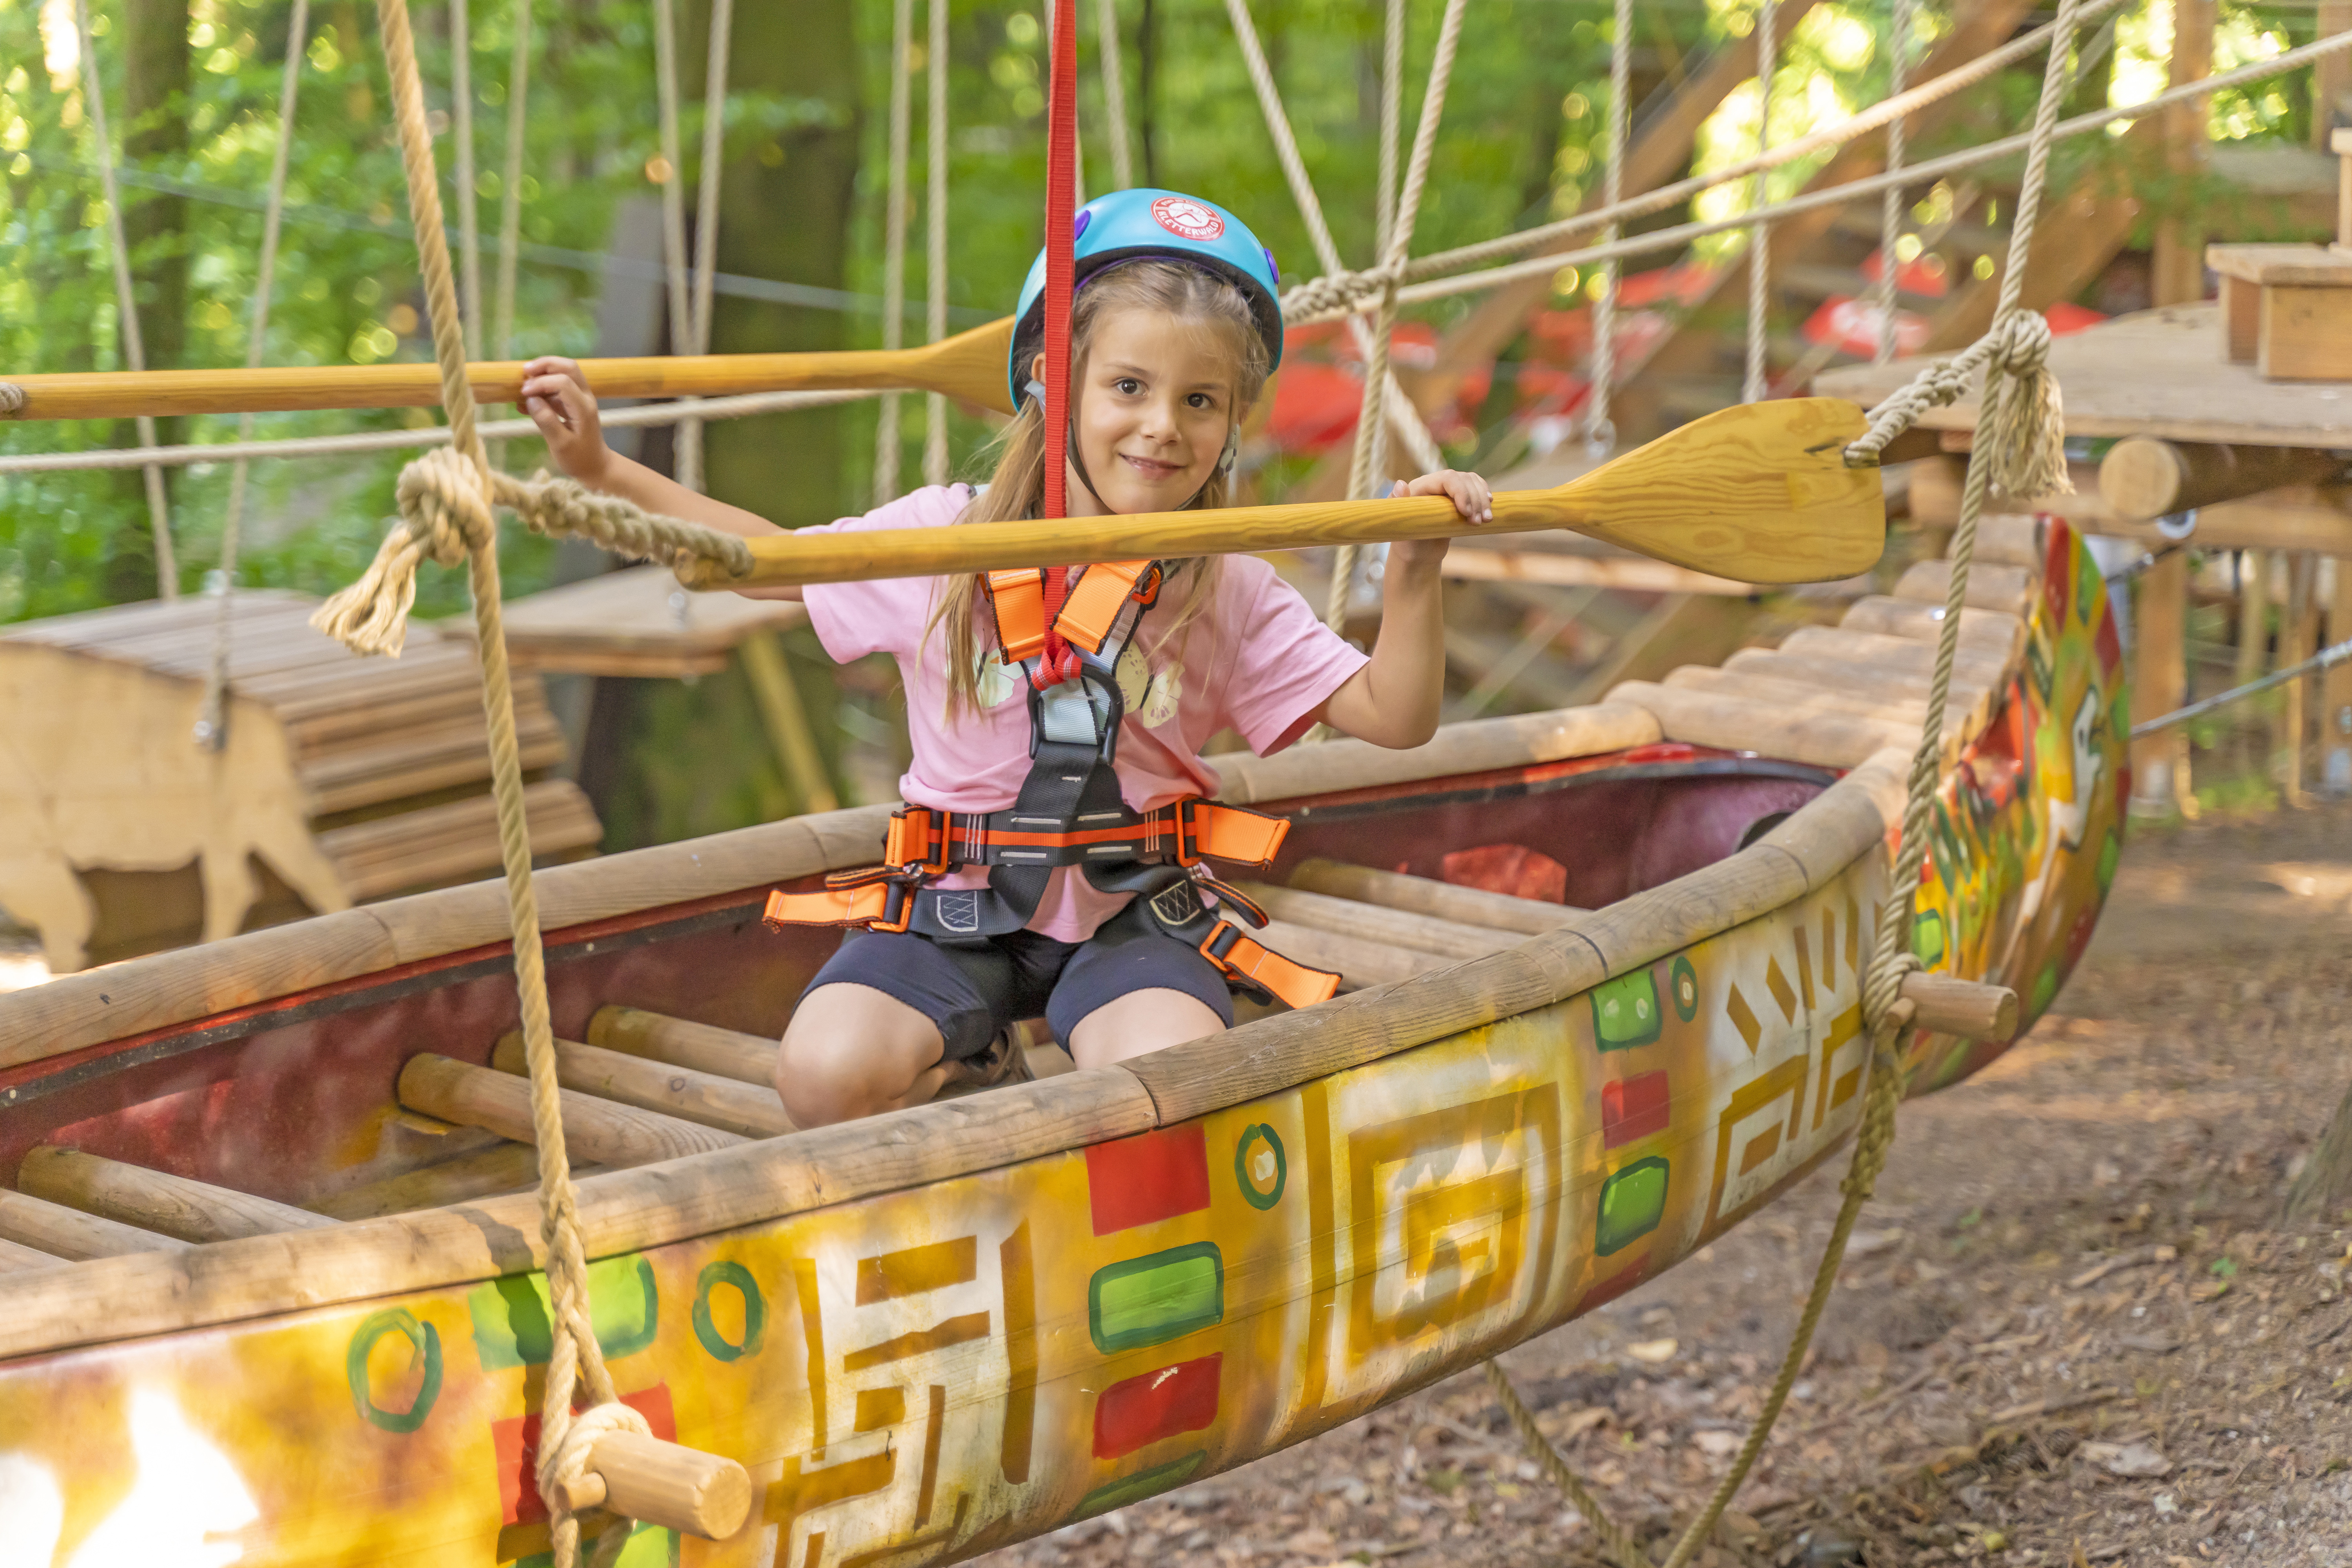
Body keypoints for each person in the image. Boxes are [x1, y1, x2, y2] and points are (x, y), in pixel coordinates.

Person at [518, 189, 1491, 1129]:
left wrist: (1415, 568)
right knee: (821, 1076)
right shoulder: (947, 539)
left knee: (1176, 1079)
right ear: (1047, 383)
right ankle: (971, 1054)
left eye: (1200, 400)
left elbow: (1393, 717)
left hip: (1130, 913)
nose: (1163, 426)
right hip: (956, 906)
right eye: (1127, 387)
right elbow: (763, 563)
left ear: (1231, 421)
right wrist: (604, 472)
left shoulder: (1222, 582)